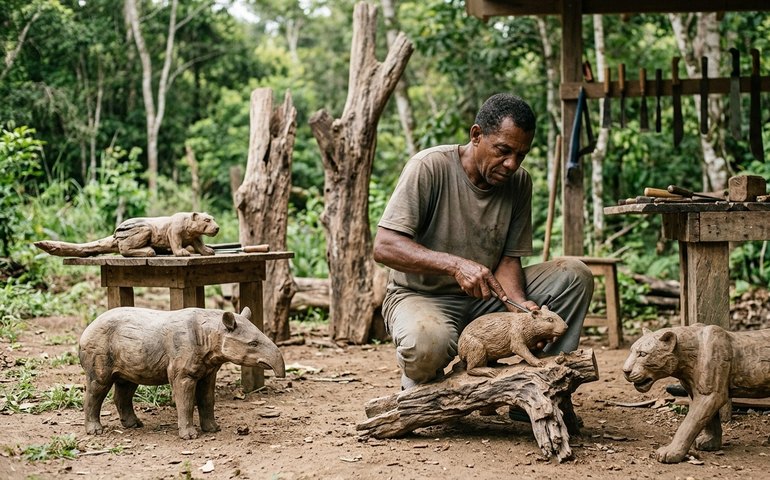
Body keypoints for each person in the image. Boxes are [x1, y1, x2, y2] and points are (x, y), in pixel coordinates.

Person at [373, 93, 594, 391]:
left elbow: (508, 259)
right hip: (422, 296)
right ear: (476, 135)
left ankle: (543, 385)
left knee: (574, 274)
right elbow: (384, 245)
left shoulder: (519, 183)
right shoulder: (428, 166)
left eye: (521, 155)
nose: (511, 164)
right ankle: (422, 380)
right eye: (503, 150)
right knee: (426, 344)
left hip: (487, 298)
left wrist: (519, 307)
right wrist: (455, 266)